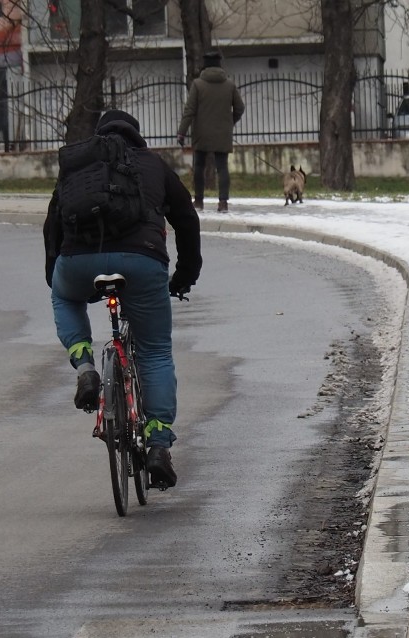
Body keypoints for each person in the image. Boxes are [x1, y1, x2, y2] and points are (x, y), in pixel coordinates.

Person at [44, 109, 203, 488]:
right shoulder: (152, 165)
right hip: (143, 262)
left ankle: (85, 369)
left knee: (64, 299)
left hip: (78, 261)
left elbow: (53, 224)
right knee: (154, 351)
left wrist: (57, 276)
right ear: (137, 136)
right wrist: (183, 276)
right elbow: (186, 219)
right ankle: (159, 444)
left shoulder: (78, 165)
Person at [177, 50, 245, 212]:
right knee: (222, 168)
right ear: (219, 65)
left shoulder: (198, 85)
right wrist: (230, 122)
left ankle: (199, 201)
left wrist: (182, 132)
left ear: (205, 66)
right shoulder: (229, 84)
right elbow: (240, 108)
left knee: (199, 166)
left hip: (201, 132)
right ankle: (223, 203)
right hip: (223, 132)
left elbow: (190, 110)